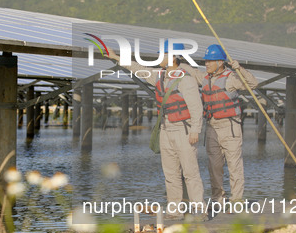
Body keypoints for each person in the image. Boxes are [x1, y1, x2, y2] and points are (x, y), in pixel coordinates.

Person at [108, 43, 207, 221]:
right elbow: (138, 69)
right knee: (170, 174)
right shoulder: (159, 76)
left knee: (190, 173)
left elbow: (196, 108)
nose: (158, 58)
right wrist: (116, 57)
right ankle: (175, 211)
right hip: (166, 130)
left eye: (162, 54)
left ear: (174, 57)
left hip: (184, 130)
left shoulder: (187, 79)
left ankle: (200, 211)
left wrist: (195, 130)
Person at [201, 44, 258, 205]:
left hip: (230, 126)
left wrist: (240, 68)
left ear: (220, 62)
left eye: (210, 61)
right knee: (214, 166)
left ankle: (237, 199)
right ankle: (217, 198)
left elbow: (253, 84)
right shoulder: (205, 78)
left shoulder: (232, 78)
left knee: (234, 165)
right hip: (212, 127)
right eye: (205, 61)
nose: (206, 64)